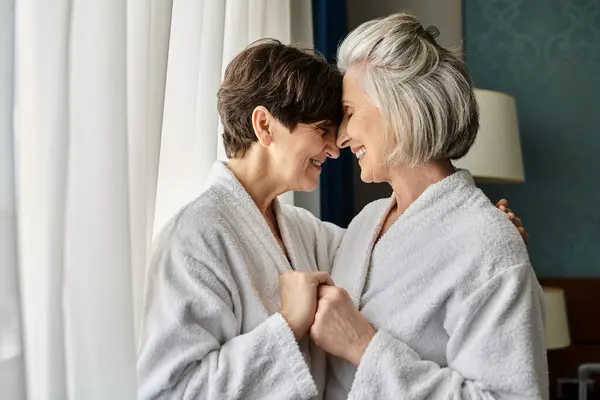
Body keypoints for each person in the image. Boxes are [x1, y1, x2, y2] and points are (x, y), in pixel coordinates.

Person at [136, 39, 529, 399]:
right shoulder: (193, 240)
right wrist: (288, 325)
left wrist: (486, 234)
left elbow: (414, 246)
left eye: (344, 118)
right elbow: (167, 390)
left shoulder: (307, 232)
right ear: (264, 125)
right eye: (323, 128)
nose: (337, 145)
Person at [306, 13, 548, 399]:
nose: (343, 136)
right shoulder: (366, 224)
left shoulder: (487, 241)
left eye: (349, 114)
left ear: (400, 108)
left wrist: (363, 347)